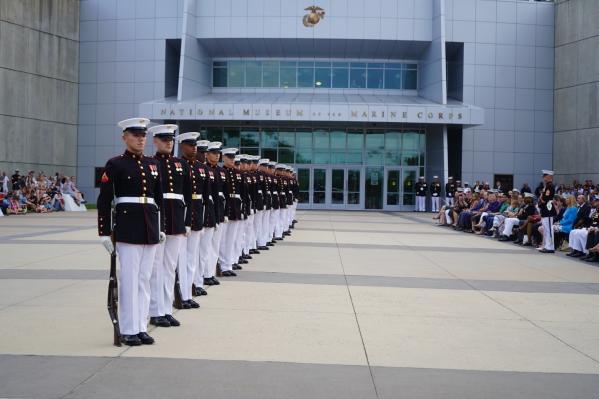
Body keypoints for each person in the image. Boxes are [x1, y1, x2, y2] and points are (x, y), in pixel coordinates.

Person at [97, 117, 165, 346]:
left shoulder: (152, 165)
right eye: (135, 135)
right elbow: (104, 200)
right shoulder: (115, 164)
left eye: (143, 135)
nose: (140, 139)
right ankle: (127, 328)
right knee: (129, 279)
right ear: (124, 137)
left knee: (145, 279)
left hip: (149, 226)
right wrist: (104, 232)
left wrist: (161, 226)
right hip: (128, 227)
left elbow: (158, 198)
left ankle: (141, 326)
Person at [148, 124, 191, 328]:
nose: (168, 143)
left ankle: (165, 309)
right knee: (156, 267)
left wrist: (187, 221)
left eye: (171, 140)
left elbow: (188, 195)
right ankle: (155, 310)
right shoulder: (150, 163)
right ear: (155, 141)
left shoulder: (180, 164)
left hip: (177, 219)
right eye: (164, 139)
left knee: (169, 267)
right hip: (159, 217)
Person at [176, 132, 204, 309]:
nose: (193, 147)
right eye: (189, 144)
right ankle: (181, 295)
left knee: (192, 257)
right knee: (181, 259)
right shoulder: (178, 164)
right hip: (182, 213)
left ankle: (187, 294)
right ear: (181, 146)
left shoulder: (200, 167)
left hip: (197, 211)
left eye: (195, 145)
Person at [219, 147, 242, 277]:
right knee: (223, 239)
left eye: (233, 157)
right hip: (225, 207)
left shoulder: (237, 173)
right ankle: (223, 265)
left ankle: (229, 263)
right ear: (224, 158)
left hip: (235, 206)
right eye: (230, 157)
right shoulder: (222, 172)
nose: (232, 160)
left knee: (231, 239)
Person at [204, 141, 224, 286]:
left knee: (215, 245)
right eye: (214, 153)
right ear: (207, 154)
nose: (217, 156)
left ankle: (210, 272)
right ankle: (206, 273)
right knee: (205, 247)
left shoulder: (220, 171)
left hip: (218, 210)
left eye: (218, 154)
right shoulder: (205, 169)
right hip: (207, 210)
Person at [538, 170, 557, 253]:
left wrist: (541, 200)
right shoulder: (546, 186)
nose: (544, 178)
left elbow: (545, 199)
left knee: (549, 229)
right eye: (544, 176)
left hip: (548, 209)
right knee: (546, 229)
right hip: (545, 209)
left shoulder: (550, 186)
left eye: (545, 176)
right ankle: (546, 245)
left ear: (549, 177)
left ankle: (550, 247)